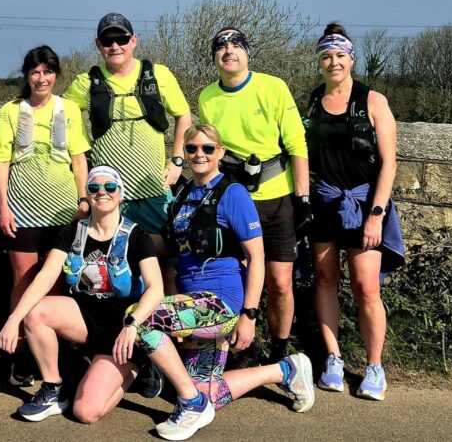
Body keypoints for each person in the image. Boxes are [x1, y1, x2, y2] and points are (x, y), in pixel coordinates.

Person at [135, 124, 315, 440]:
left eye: (207, 148)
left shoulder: (233, 193)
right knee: (208, 392)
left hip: (221, 302)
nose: (198, 154)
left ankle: (191, 405)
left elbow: (256, 258)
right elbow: (171, 250)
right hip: (191, 303)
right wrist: (122, 233)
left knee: (143, 318)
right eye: (191, 148)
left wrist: (249, 316)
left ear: (220, 152)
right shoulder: (182, 195)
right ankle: (286, 371)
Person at [64, 13, 192, 395]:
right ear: (98, 45)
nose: (114, 46)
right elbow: (63, 116)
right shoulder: (86, 82)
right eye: (107, 41)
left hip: (154, 190)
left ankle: (162, 354)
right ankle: (120, 352)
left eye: (121, 39)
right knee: (108, 274)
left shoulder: (159, 74)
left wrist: (177, 160)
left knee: (164, 273)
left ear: (134, 40)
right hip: (109, 196)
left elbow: (183, 115)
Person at [0, 166, 164, 424]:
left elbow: (156, 288)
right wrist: (13, 319)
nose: (102, 193)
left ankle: (137, 366)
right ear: (87, 194)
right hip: (84, 320)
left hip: (122, 329)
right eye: (94, 188)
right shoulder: (73, 231)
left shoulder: (137, 236)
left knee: (85, 412)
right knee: (35, 311)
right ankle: (53, 389)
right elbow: (45, 277)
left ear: (120, 193)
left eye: (110, 187)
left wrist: (133, 324)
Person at [304, 23, 405, 401]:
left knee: (365, 287)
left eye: (340, 56)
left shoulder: (372, 100)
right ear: (320, 61)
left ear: (351, 59)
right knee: (325, 279)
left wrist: (377, 214)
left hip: (364, 205)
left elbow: (389, 163)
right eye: (326, 56)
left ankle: (374, 366)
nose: (333, 62)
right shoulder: (314, 101)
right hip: (325, 203)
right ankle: (333, 358)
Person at [197, 27, 310, 362]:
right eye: (220, 47)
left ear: (247, 53)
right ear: (214, 58)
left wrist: (303, 198)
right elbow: (210, 153)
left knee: (279, 282)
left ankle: (280, 349)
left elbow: (296, 143)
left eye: (236, 45)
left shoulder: (273, 87)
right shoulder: (207, 98)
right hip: (233, 199)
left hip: (277, 198)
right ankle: (239, 347)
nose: (228, 51)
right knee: (236, 278)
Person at [0, 46, 91, 386]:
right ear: (27, 76)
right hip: (22, 207)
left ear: (55, 76)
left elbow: (79, 158)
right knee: (23, 279)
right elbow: (0, 160)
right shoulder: (9, 111)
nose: (41, 78)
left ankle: (55, 350)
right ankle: (20, 351)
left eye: (47, 72)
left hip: (64, 208)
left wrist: (83, 199)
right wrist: (3, 205)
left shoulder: (70, 109)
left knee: (60, 279)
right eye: (35, 72)